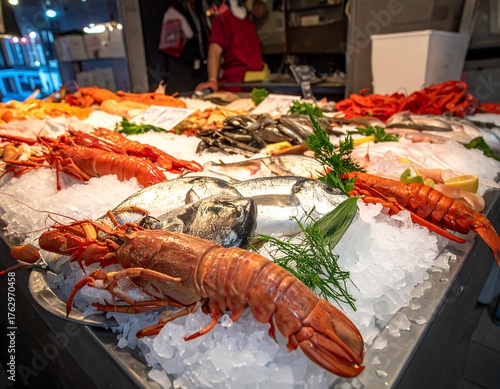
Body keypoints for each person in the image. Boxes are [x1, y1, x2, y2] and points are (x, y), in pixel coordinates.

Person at [195, 0, 263, 92]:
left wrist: (212, 80)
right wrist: (213, 79)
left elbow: (215, 49)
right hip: (244, 84)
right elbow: (215, 50)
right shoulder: (235, 19)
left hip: (243, 83)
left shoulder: (229, 19)